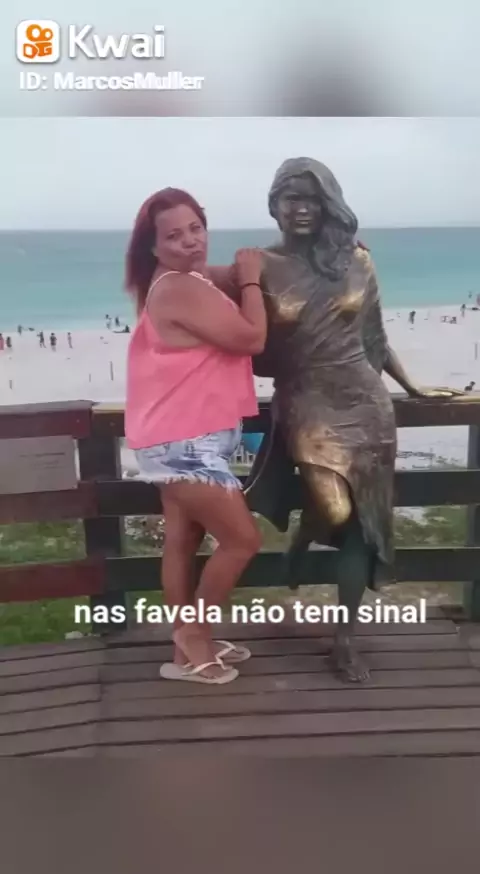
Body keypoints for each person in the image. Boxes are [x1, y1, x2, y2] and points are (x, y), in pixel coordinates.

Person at [230, 157, 463, 683]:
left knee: (361, 523)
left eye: (313, 199)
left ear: (328, 204)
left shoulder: (356, 260)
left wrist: (413, 387)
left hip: (366, 402)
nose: (302, 208)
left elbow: (375, 339)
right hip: (305, 400)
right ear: (274, 205)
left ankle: (346, 638)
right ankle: (304, 535)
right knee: (334, 509)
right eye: (292, 197)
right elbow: (235, 335)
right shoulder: (258, 266)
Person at [124, 187, 266, 685]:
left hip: (182, 435)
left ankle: (184, 649)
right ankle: (194, 635)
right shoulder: (180, 288)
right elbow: (252, 338)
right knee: (242, 540)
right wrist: (252, 281)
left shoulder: (187, 279)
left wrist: (336, 254)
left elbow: (231, 273)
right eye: (174, 236)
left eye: (196, 228)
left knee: (183, 541)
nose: (190, 241)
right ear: (153, 246)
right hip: (182, 443)